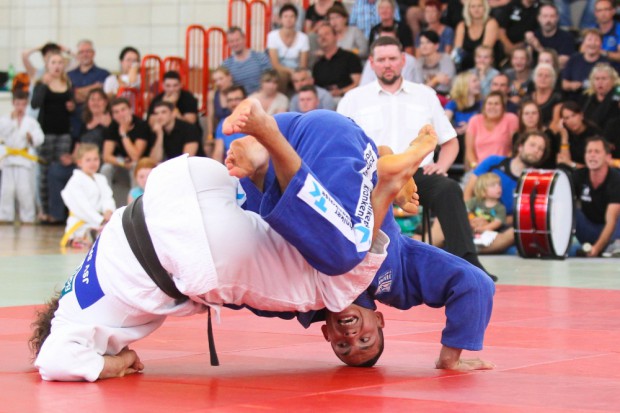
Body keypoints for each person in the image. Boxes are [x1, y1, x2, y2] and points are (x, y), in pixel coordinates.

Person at [30, 98, 439, 381]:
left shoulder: (73, 323)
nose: (351, 337)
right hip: (183, 182)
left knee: (334, 277)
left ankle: (369, 185)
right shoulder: (81, 284)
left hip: (190, 245)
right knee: (295, 239)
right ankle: (302, 168)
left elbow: (54, 362)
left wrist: (117, 363)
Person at [223, 99, 495, 369]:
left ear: (327, 334)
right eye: (365, 339)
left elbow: (229, 287)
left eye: (342, 345)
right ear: (379, 320)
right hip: (332, 142)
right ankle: (385, 177)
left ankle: (265, 159)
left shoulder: (289, 302)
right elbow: (475, 283)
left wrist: (187, 287)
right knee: (345, 256)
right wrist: (451, 358)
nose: (351, 337)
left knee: (317, 259)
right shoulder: (398, 277)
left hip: (271, 154)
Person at [338, 36, 497, 281]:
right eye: (381, 60)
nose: (387, 64)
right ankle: (345, 262)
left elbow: (450, 141)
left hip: (416, 173)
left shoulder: (425, 95)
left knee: (449, 189)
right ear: (371, 62)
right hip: (372, 175)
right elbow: (341, 144)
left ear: (403, 60)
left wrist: (442, 166)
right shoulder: (353, 99)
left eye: (392, 59)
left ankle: (468, 263)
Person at [459, 131, 549, 253]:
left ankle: (467, 249)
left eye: (541, 149)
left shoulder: (535, 181)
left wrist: (491, 222)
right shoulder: (493, 162)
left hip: (501, 226)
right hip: (472, 217)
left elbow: (523, 216)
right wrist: (473, 218)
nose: (536, 150)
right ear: (520, 146)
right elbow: (468, 190)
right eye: (532, 145)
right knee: (448, 209)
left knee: (516, 232)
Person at [30, 50, 76, 225]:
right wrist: (42, 86)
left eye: (59, 63)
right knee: (44, 173)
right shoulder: (42, 83)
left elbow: (71, 107)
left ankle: (60, 212)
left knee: (60, 172)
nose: (57, 66)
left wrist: (71, 107)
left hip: (63, 133)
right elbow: (35, 104)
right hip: (46, 134)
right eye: (53, 63)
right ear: (47, 66)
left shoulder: (67, 83)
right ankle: (45, 210)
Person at [0, 90, 44, 224]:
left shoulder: (31, 122)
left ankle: (28, 217)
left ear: (26, 105)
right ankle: (5, 216)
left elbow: (39, 137)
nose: (20, 107)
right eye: (17, 104)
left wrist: (32, 138)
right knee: (7, 190)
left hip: (24, 159)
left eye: (23, 104)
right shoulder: (5, 119)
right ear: (13, 103)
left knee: (25, 190)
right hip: (8, 158)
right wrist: (12, 122)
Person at [60, 144, 115, 249]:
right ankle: (80, 239)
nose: (92, 163)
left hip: (100, 220)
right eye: (88, 160)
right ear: (79, 162)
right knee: (93, 236)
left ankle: (98, 234)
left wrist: (108, 210)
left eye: (95, 159)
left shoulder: (101, 178)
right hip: (82, 222)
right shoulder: (75, 182)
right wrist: (100, 220)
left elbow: (107, 197)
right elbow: (82, 207)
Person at [572, 136, 620, 257]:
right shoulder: (578, 176)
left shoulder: (616, 179)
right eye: (589, 152)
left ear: (608, 158)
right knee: (569, 209)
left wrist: (596, 249)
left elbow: (611, 221)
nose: (592, 155)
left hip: (612, 230)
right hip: (587, 229)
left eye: (597, 152)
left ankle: (612, 246)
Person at [101, 97, 152, 189]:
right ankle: (106, 200)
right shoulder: (112, 127)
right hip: (122, 162)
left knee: (135, 166)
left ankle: (134, 200)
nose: (120, 114)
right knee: (106, 168)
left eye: (123, 110)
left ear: (130, 110)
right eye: (116, 112)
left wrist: (123, 134)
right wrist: (123, 163)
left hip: (142, 162)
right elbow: (106, 156)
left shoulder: (141, 125)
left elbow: (135, 156)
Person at [464, 91, 519, 171]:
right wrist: (475, 167)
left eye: (496, 104)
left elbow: (515, 148)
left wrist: (504, 167)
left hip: (504, 169)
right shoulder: (475, 120)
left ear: (503, 107)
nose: (492, 107)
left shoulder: (511, 119)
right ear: (484, 106)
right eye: (489, 103)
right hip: (479, 169)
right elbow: (469, 150)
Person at [67, 40, 110, 141]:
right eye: (81, 52)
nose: (85, 54)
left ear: (93, 53)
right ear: (77, 55)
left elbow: (105, 97)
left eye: (88, 51)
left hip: (98, 126)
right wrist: (93, 87)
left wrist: (77, 91)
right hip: (75, 124)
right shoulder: (69, 75)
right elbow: (73, 96)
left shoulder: (104, 74)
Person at [312, 22, 363, 99]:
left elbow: (358, 83)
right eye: (320, 36)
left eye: (326, 34)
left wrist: (341, 91)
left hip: (348, 98)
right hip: (324, 102)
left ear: (336, 36)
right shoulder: (317, 65)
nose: (323, 38)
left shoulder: (350, 57)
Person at [267, 4, 310, 92]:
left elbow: (303, 64)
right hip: (280, 69)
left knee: (303, 76)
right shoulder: (272, 36)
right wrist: (290, 71)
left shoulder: (303, 37)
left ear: (296, 19)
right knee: (281, 76)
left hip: (298, 70)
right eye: (285, 16)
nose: (288, 19)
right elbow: (275, 64)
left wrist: (297, 73)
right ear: (280, 19)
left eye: (292, 16)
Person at [562, 29, 613, 102]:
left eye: (596, 40)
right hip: (574, 102)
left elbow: (617, 87)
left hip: (597, 102)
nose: (592, 43)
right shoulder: (574, 59)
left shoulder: (606, 63)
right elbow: (563, 84)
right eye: (589, 39)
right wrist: (572, 85)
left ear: (601, 44)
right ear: (583, 43)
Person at [222, 27, 273, 95]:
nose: (235, 44)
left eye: (237, 40)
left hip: (261, 99)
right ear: (228, 44)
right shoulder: (226, 65)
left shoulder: (261, 58)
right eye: (231, 41)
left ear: (244, 39)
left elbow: (270, 80)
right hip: (238, 101)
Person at [524, 3, 575, 69]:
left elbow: (561, 64)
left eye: (552, 16)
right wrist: (529, 48)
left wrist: (539, 48)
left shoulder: (566, 37)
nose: (548, 20)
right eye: (545, 16)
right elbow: (526, 64)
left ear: (557, 18)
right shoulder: (534, 36)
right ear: (538, 18)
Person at [453, 0, 501, 71]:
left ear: (485, 8)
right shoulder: (461, 25)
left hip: (485, 65)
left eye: (479, 6)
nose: (476, 9)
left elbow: (484, 52)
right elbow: (457, 52)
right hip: (464, 66)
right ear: (468, 9)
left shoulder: (491, 23)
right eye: (473, 6)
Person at [512, 100, 560, 169]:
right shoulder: (516, 136)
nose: (530, 116)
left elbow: (551, 161)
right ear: (521, 117)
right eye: (526, 113)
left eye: (534, 113)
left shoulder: (548, 134)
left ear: (539, 116)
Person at [557, 101, 602, 169]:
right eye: (567, 118)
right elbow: (564, 164)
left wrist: (572, 164)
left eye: (573, 115)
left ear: (581, 115)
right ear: (563, 122)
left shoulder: (594, 134)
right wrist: (564, 138)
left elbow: (594, 167)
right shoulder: (563, 134)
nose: (571, 120)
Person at [466, 172, 507, 247]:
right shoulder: (475, 201)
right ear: (483, 191)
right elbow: (465, 211)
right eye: (493, 185)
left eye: (499, 185)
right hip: (472, 228)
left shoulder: (500, 207)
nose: (498, 187)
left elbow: (497, 223)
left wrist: (483, 228)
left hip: (489, 232)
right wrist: (472, 221)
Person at [414, 30, 456, 97]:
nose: (424, 46)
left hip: (444, 97)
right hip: (425, 97)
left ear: (437, 46)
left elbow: (444, 86)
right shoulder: (419, 62)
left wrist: (428, 85)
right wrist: (436, 80)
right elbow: (418, 88)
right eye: (421, 43)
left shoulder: (446, 59)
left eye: (428, 42)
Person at [212, 85, 248, 163]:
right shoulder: (223, 123)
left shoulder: (254, 121)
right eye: (230, 100)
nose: (233, 103)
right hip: (231, 166)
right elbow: (218, 152)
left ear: (245, 100)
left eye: (237, 99)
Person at [580, 63, 620, 130]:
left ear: (613, 80)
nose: (600, 82)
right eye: (597, 79)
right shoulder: (588, 97)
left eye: (604, 79)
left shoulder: (617, 92)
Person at [524, 62, 563, 127]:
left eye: (547, 76)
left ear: (552, 80)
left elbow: (556, 122)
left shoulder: (558, 98)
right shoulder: (527, 98)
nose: (543, 78)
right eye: (540, 75)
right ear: (534, 79)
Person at [76, 88, 111, 154]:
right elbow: (78, 148)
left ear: (106, 102)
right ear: (88, 103)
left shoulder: (111, 122)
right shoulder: (84, 123)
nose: (95, 103)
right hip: (84, 159)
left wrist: (109, 126)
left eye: (99, 99)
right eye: (92, 99)